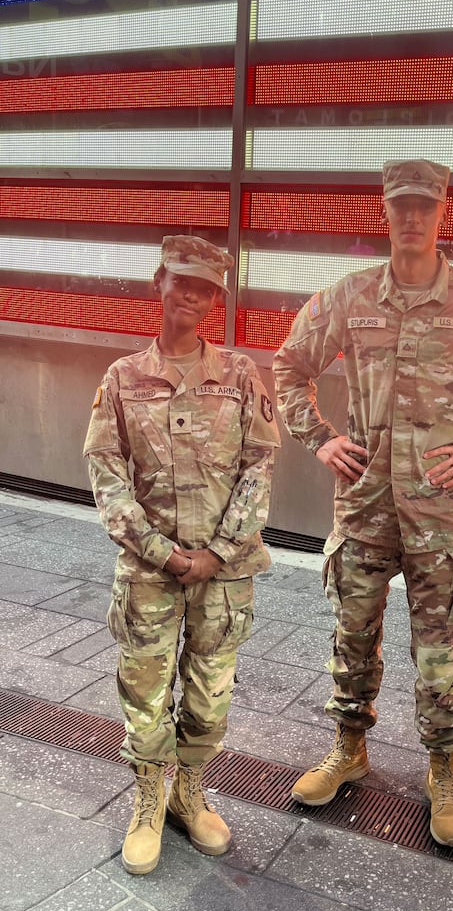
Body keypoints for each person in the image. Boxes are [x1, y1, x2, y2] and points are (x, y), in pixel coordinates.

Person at [273, 159, 453, 847]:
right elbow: (289, 366)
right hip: (365, 504)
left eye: (424, 206)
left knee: (440, 651)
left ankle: (443, 773)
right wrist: (319, 440)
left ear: (441, 212)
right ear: (385, 212)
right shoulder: (349, 296)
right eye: (400, 206)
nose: (412, 218)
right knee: (353, 639)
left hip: (434, 508)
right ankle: (349, 749)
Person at [84, 235, 280, 875]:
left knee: (208, 690)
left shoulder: (242, 376)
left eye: (205, 289)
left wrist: (218, 553)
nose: (192, 297)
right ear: (158, 287)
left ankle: (188, 792)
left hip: (223, 576)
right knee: (145, 685)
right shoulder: (122, 379)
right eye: (181, 283)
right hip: (149, 571)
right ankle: (147, 795)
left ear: (214, 300)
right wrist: (162, 552)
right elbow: (106, 473)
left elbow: (259, 467)